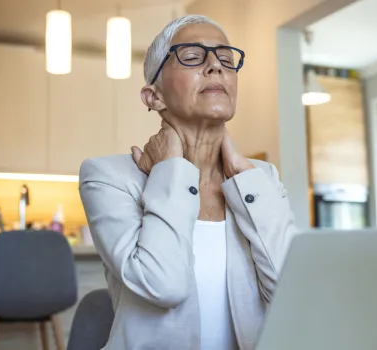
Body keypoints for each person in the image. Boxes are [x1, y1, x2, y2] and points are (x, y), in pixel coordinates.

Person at [79, 14, 297, 350]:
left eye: (226, 59)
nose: (216, 66)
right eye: (193, 57)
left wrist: (241, 169)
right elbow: (164, 286)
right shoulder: (108, 177)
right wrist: (170, 170)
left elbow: (290, 294)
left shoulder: (261, 179)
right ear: (154, 97)